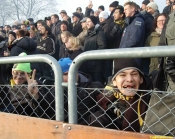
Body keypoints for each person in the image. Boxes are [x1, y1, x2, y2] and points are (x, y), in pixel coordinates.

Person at [89, 58, 151, 132]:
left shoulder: (151, 99)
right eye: (123, 75)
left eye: (134, 74)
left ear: (141, 79)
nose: (129, 79)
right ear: (114, 82)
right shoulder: (107, 98)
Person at [9, 52, 50, 117]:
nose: (18, 76)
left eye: (22, 73)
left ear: (29, 74)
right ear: (12, 72)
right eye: (16, 72)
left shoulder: (36, 85)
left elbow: (47, 108)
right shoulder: (9, 85)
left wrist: (36, 96)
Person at [83, 15, 106, 83]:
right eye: (86, 22)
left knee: (97, 84)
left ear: (94, 22)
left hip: (96, 66)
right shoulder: (87, 34)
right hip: (88, 64)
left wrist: (92, 56)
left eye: (89, 21)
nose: (87, 23)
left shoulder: (99, 33)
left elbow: (102, 46)